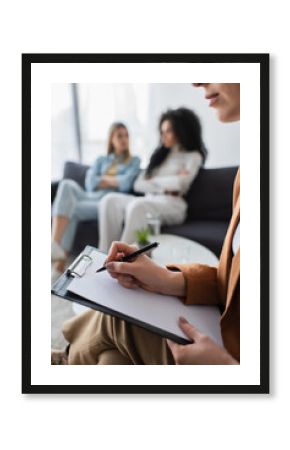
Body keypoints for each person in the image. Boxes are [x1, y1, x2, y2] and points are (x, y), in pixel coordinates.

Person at [51, 83, 240, 365]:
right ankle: (105, 259)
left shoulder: (192, 155)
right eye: (161, 131)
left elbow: (177, 184)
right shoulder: (249, 176)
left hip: (234, 354)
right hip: (227, 322)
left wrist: (227, 369)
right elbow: (233, 279)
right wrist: (171, 279)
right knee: (109, 361)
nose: (197, 80)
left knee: (116, 320)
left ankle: (65, 360)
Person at [98, 107, 206, 252]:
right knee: (109, 200)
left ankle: (122, 260)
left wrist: (153, 181)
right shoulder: (159, 156)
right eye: (162, 131)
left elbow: (181, 184)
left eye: (168, 131)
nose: (163, 136)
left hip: (173, 204)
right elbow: (138, 184)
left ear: (181, 131)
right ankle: (104, 255)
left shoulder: (193, 156)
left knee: (138, 206)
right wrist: (168, 182)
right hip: (150, 199)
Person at [51, 122, 140, 283]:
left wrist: (103, 179)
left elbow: (126, 183)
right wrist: (112, 181)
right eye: (119, 136)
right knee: (66, 185)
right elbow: (90, 183)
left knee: (72, 210)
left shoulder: (134, 161)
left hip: (106, 203)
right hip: (89, 196)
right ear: (111, 139)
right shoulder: (101, 159)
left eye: (126, 135)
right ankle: (54, 243)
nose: (124, 139)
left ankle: (59, 260)